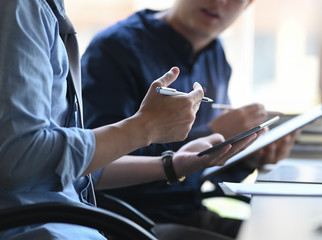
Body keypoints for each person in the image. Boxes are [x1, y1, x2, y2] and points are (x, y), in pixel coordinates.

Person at [0, 0, 260, 239]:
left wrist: (177, 165)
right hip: (111, 220)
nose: (220, 1)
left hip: (90, 221)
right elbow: (26, 158)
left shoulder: (217, 57)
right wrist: (149, 128)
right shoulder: (26, 11)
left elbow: (79, 164)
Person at [81, 0, 299, 238]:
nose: (219, 1)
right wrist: (211, 131)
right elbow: (93, 163)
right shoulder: (115, 49)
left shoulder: (215, 55)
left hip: (189, 213)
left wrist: (248, 156)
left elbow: (204, 172)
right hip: (130, 221)